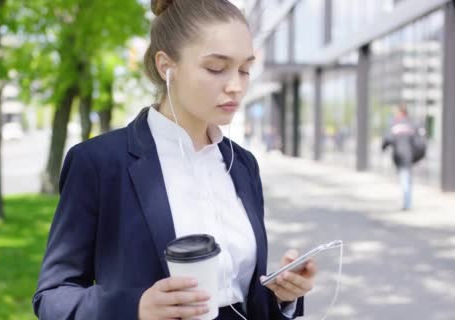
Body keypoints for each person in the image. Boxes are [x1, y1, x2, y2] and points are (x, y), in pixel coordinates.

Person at [32, 1, 317, 319]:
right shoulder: (98, 163)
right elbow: (52, 298)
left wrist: (283, 297)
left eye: (245, 69)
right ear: (167, 66)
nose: (236, 86)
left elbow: (245, 297)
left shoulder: (243, 164)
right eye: (216, 68)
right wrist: (136, 307)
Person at [382, 105, 422, 211]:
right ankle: (407, 201)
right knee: (407, 177)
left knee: (404, 178)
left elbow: (387, 139)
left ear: (400, 113)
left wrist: (383, 148)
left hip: (400, 155)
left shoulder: (395, 124)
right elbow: (419, 142)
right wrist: (417, 155)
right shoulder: (412, 124)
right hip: (409, 155)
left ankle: (407, 202)